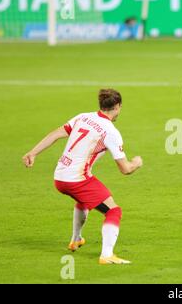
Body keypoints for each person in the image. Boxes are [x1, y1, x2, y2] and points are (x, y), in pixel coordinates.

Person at [22, 89, 143, 264]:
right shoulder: (110, 131)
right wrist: (136, 163)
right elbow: (125, 169)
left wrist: (33, 153)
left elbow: (56, 133)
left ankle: (76, 239)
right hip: (76, 180)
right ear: (117, 107)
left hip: (60, 176)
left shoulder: (83, 117)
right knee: (114, 211)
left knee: (84, 200)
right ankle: (107, 255)